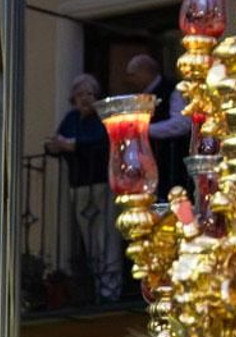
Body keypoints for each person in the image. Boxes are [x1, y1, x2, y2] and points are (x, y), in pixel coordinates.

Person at [45, 74, 123, 301]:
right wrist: (54, 146)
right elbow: (56, 143)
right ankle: (100, 290)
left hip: (102, 185)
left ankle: (112, 292)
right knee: (90, 240)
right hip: (78, 186)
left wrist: (73, 146)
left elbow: (103, 145)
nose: (85, 99)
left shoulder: (103, 117)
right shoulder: (71, 119)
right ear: (73, 99)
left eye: (89, 94)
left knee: (107, 237)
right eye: (80, 95)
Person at [125, 53, 190, 198]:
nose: (129, 80)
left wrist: (144, 129)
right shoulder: (141, 96)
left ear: (145, 72)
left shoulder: (173, 90)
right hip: (151, 167)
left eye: (132, 75)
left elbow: (181, 124)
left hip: (172, 163)